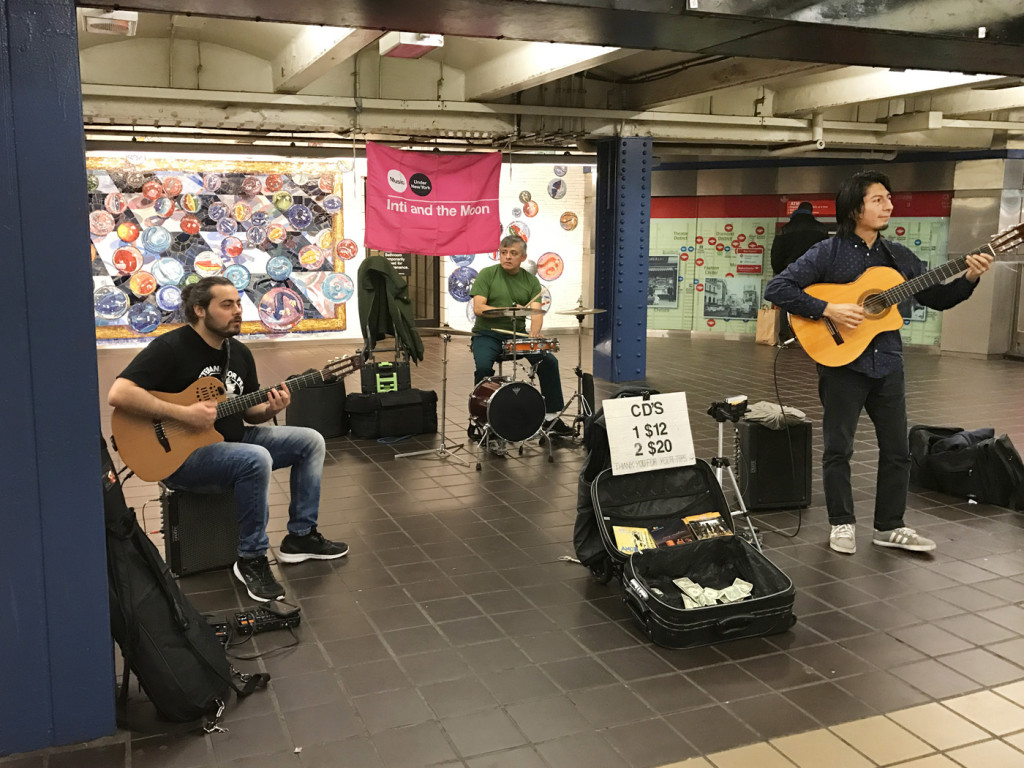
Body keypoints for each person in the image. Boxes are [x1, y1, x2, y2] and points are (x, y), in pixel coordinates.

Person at [764, 170, 993, 555]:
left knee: (897, 451)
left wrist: (969, 277)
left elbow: (937, 298)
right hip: (842, 366)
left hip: (888, 363)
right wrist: (828, 309)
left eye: (889, 198)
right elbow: (778, 287)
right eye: (878, 199)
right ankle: (841, 523)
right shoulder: (828, 251)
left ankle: (890, 525)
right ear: (855, 208)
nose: (888, 205)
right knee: (839, 448)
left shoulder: (897, 256)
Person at [108, 276, 348, 602]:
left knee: (310, 440)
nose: (237, 311)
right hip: (182, 458)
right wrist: (183, 414)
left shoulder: (239, 353)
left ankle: (301, 537)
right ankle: (251, 558)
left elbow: (250, 413)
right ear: (199, 310)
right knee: (255, 458)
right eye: (227, 305)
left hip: (234, 439)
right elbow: (119, 393)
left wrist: (271, 407)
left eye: (238, 303)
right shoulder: (171, 348)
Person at [470, 235, 572, 436]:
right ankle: (480, 419)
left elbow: (536, 313)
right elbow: (479, 308)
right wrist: (507, 310)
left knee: (549, 362)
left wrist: (534, 333)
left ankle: (551, 418)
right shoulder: (487, 274)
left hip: (517, 335)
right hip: (487, 334)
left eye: (513, 253)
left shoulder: (531, 281)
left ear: (523, 257)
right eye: (503, 252)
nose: (507, 257)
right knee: (483, 367)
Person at [770, 201, 829, 341]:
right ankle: (811, 337)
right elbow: (827, 253)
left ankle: (785, 336)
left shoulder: (785, 229)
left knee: (788, 301)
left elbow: (776, 253)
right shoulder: (820, 229)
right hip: (815, 272)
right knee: (813, 301)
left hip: (790, 270)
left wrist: (780, 271)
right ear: (811, 211)